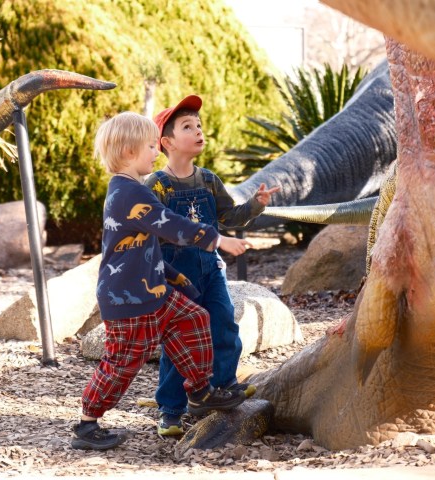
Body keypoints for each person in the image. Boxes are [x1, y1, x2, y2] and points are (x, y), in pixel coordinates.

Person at [72, 111, 251, 451]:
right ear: (128, 152)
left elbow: (145, 245)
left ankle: (200, 391)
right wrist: (218, 240)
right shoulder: (128, 193)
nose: (156, 153)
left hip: (154, 291)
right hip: (129, 301)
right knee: (123, 362)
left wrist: (176, 277)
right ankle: (87, 423)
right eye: (151, 147)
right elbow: (171, 225)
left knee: (195, 318)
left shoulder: (132, 189)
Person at [145, 95, 280, 436]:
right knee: (179, 341)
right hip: (177, 276)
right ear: (167, 142)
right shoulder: (157, 185)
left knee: (223, 324)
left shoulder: (208, 180)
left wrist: (256, 205)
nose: (198, 131)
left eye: (199, 125)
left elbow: (229, 217)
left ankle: (222, 387)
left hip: (211, 271)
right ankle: (171, 410)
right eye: (188, 127)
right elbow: (150, 232)